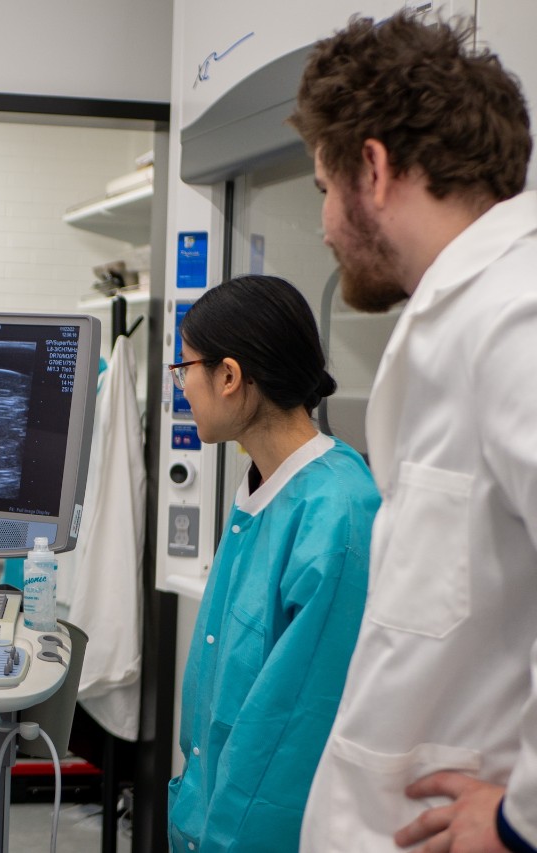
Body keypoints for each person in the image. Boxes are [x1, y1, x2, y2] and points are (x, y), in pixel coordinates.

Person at [288, 11, 537, 853]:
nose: (324, 225)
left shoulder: (514, 316)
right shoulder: (462, 312)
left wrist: (521, 822)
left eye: (324, 189)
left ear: (374, 167)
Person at [166, 275, 380, 852]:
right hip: (207, 817)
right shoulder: (261, 488)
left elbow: (290, 737)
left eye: (184, 368)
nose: (182, 386)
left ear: (230, 377)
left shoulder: (338, 514)